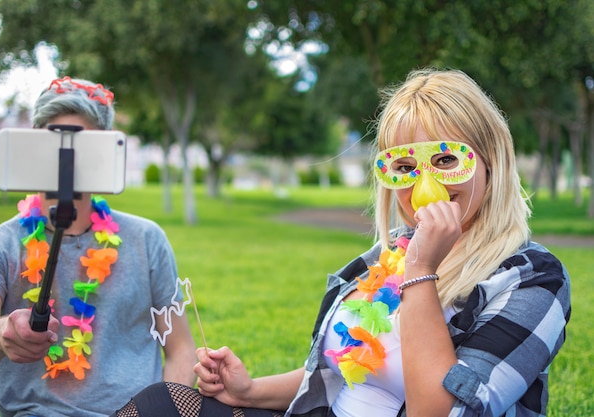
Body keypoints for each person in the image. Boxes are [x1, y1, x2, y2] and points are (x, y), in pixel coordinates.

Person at [111, 68, 571, 417]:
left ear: (492, 163)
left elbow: (443, 410)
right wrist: (249, 392)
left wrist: (422, 272)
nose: (424, 184)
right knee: (160, 404)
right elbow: (339, 376)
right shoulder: (379, 262)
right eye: (405, 166)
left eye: (447, 159)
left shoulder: (532, 279)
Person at [0, 77, 197, 417]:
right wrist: (0, 333)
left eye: (82, 146)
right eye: (54, 143)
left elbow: (181, 349)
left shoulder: (148, 240)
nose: (67, 159)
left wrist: (164, 411)